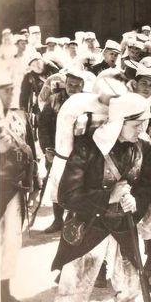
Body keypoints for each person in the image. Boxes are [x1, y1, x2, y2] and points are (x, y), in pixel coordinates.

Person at [41, 93, 151, 302]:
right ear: (119, 122)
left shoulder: (143, 146)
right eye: (137, 125)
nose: (142, 131)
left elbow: (149, 183)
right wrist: (109, 196)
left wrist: (137, 203)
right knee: (71, 290)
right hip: (87, 229)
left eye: (144, 124)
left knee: (130, 286)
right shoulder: (87, 147)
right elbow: (67, 195)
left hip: (123, 228)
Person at [0, 71, 38, 302]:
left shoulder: (19, 116)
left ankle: (4, 293)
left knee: (11, 240)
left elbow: (31, 151)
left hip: (15, 188)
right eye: (5, 89)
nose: (11, 93)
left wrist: (34, 183)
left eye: (12, 88)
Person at [37, 69, 90, 233]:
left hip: (78, 154)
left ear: (82, 87)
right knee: (56, 184)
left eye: (77, 86)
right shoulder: (54, 100)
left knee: (77, 185)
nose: (72, 89)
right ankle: (57, 220)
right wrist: (47, 148)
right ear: (65, 84)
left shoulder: (86, 103)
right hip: (55, 152)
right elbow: (43, 126)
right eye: (70, 85)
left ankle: (72, 220)